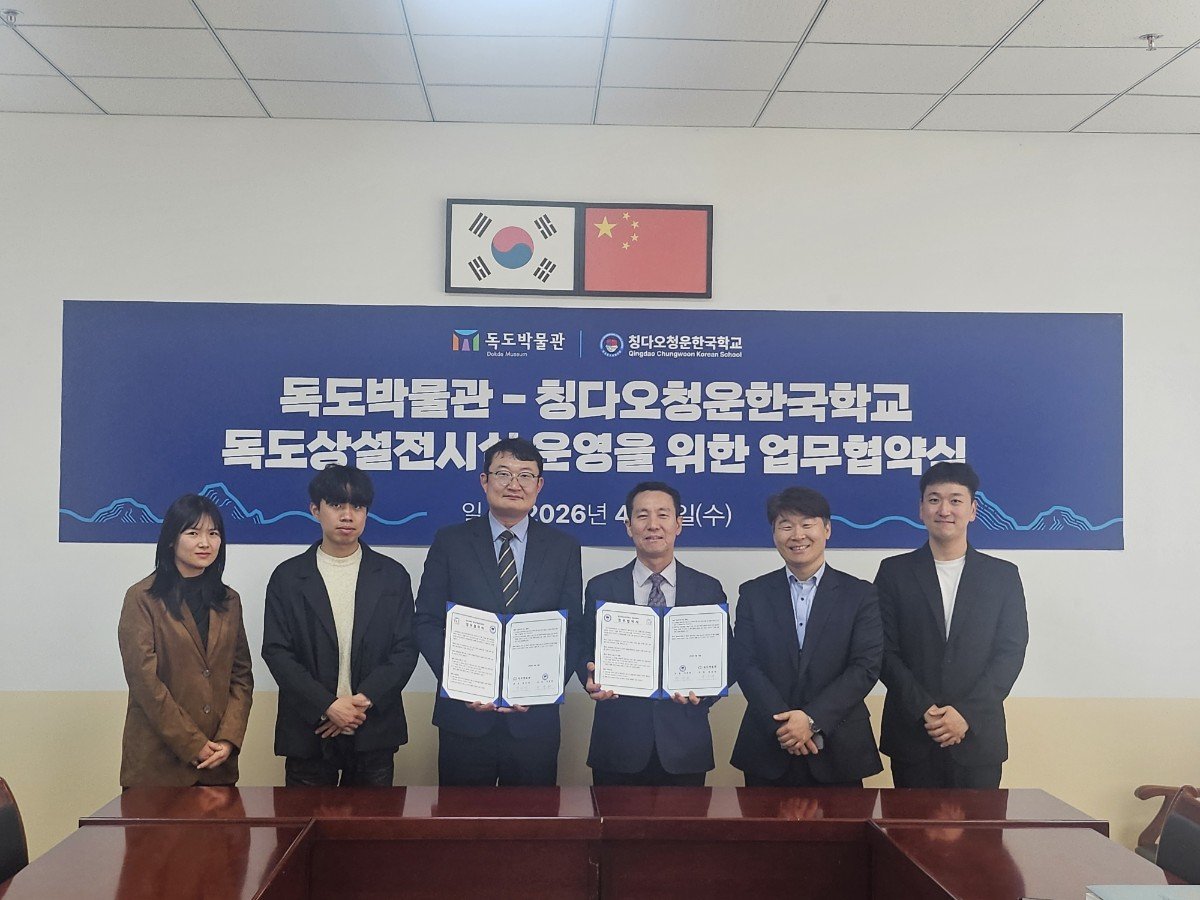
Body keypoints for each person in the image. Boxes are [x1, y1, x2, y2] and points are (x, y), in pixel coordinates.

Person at [416, 437, 582, 786]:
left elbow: (573, 630)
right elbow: (427, 621)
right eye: (503, 473)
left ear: (539, 485)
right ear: (484, 480)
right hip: (464, 719)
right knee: (461, 816)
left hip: (533, 722)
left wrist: (542, 688)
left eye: (525, 475)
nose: (514, 484)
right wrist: (459, 682)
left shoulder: (563, 548)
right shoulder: (450, 542)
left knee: (531, 817)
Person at [262, 464, 419, 786]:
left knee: (373, 820)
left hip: (372, 727)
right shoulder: (288, 577)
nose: (347, 516)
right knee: (304, 819)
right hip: (310, 731)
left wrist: (360, 703)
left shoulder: (392, 576)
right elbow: (277, 651)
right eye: (336, 505)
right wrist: (328, 706)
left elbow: (405, 649)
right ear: (315, 510)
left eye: (357, 507)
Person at [875, 461, 1028, 789]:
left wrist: (965, 714)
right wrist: (925, 709)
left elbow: (1010, 653)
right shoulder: (893, 572)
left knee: (980, 825)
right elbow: (883, 650)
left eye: (955, 500)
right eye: (934, 500)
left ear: (972, 510)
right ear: (921, 509)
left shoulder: (1002, 576)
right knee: (908, 824)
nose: (944, 509)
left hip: (978, 737)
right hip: (912, 735)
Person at [730, 486, 883, 787]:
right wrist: (786, 725)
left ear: (827, 529)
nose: (797, 535)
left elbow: (865, 666)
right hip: (769, 745)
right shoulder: (753, 593)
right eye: (786, 525)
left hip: (840, 747)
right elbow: (745, 663)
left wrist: (811, 720)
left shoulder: (860, 594)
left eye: (807, 524)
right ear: (774, 534)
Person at [580, 481, 728, 786]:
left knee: (683, 821)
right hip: (618, 744)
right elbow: (582, 649)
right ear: (628, 526)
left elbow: (730, 658)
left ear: (678, 524)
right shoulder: (601, 587)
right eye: (642, 515)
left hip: (685, 746)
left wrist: (705, 692)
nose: (653, 525)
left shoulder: (707, 589)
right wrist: (589, 678)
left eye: (663, 515)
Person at [118, 493, 253, 787]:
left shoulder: (229, 600)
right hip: (156, 767)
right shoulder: (142, 598)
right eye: (193, 533)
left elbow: (241, 676)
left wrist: (228, 740)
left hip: (217, 765)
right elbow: (144, 681)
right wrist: (193, 743)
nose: (205, 543)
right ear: (171, 539)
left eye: (213, 533)